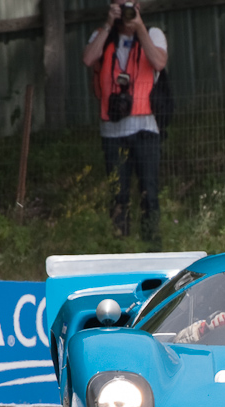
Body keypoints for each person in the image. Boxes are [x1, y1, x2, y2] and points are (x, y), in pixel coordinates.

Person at [82, 0, 168, 250]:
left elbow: (159, 62)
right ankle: (120, 247)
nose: (126, 11)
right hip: (112, 132)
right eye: (120, 5)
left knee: (149, 194)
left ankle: (153, 248)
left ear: (139, 6)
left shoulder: (153, 34)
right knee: (118, 196)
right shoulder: (102, 35)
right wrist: (108, 24)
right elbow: (88, 59)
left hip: (145, 129)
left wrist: (139, 27)